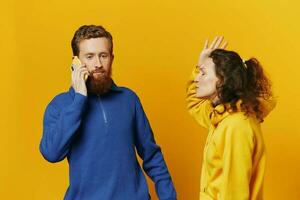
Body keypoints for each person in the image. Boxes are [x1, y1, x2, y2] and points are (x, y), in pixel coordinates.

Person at [39, 25, 177, 200]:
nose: (98, 64)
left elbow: (152, 155)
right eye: (89, 57)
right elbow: (51, 153)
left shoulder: (129, 99)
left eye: (103, 55)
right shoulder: (60, 105)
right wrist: (79, 98)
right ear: (76, 62)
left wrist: (169, 197)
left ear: (111, 58)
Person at [186, 36, 276, 200]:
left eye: (203, 73)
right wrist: (200, 63)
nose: (197, 78)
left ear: (221, 80)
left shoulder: (235, 126)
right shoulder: (221, 116)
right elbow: (195, 103)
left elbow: (235, 193)